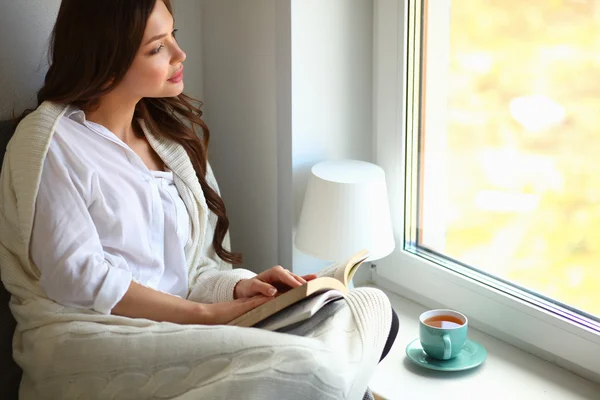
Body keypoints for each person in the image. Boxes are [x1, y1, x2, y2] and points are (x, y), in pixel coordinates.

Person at [0, 1, 398, 399]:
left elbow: (196, 269)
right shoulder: (52, 143)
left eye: (173, 35)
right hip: (97, 337)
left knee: (370, 308)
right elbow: (75, 276)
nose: (179, 53)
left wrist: (240, 290)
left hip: (191, 323)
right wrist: (207, 317)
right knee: (313, 368)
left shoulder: (169, 139)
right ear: (107, 60)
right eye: (157, 48)